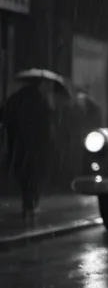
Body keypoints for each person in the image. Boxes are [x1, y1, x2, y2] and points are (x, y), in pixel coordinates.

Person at [0, 79, 55, 219]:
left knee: (24, 174)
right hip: (37, 144)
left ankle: (27, 203)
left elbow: (6, 118)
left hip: (19, 143)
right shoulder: (41, 100)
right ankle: (31, 203)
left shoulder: (15, 99)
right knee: (35, 175)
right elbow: (47, 124)